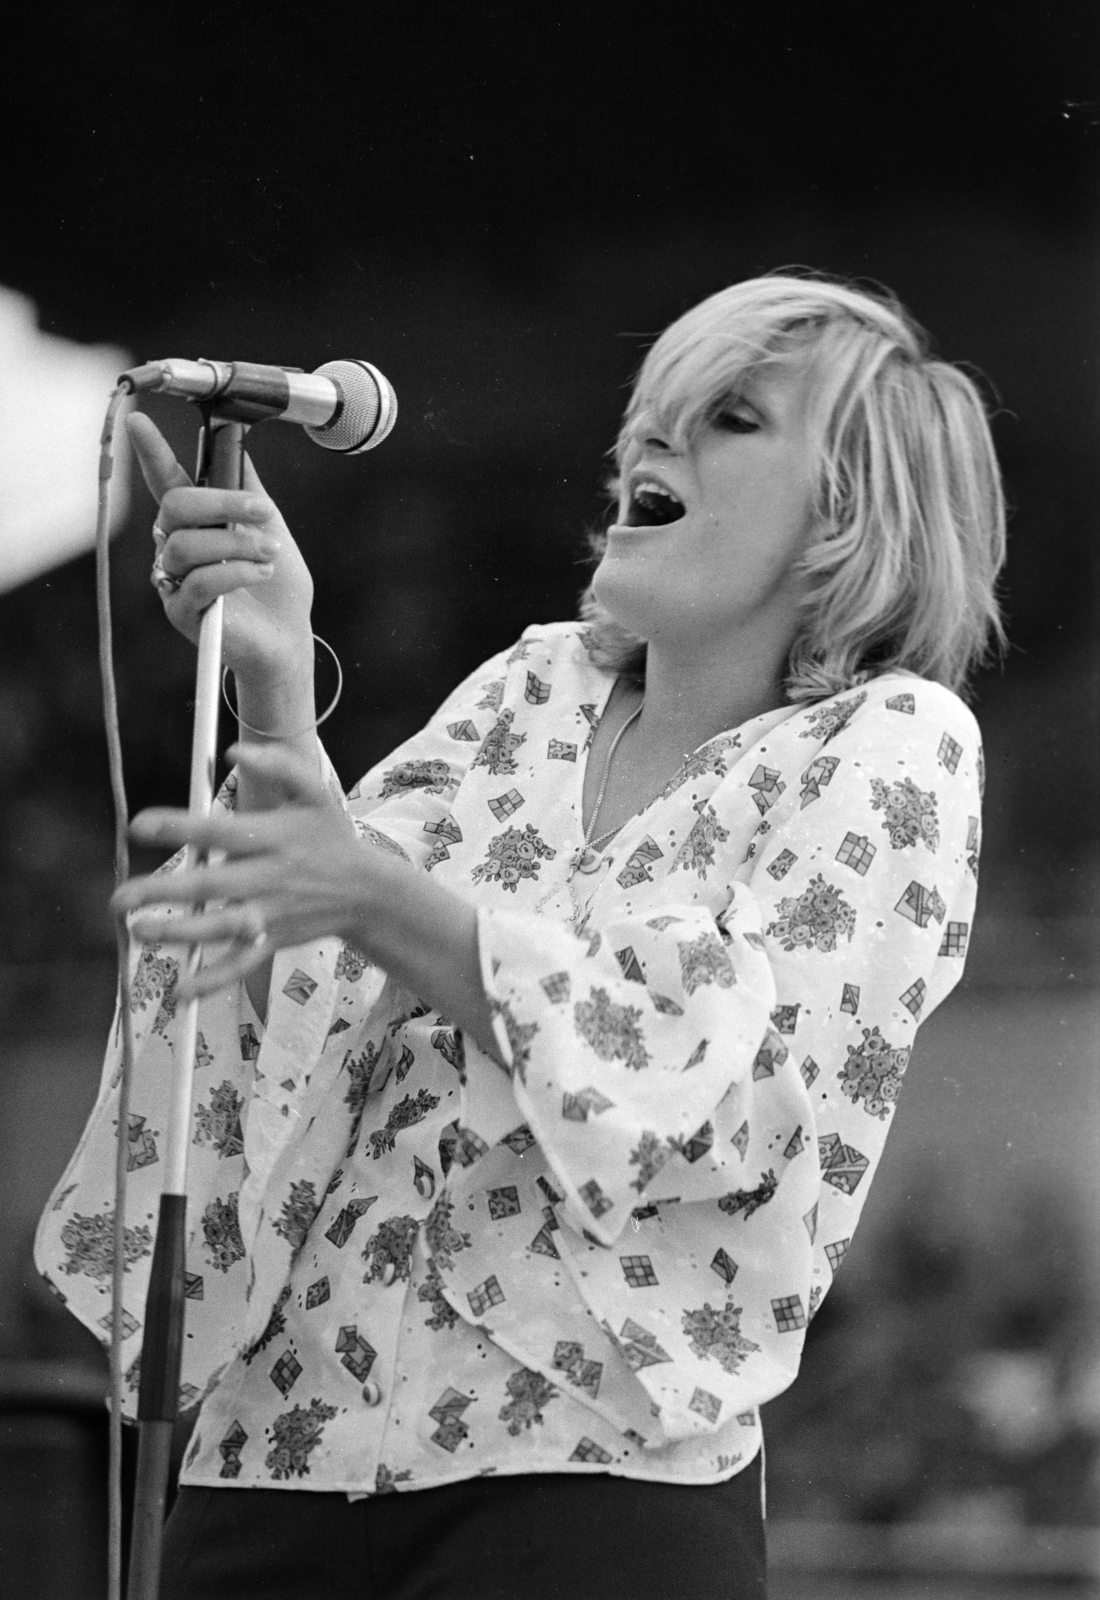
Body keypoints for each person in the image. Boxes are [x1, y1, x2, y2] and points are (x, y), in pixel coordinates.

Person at [36, 272, 1006, 1599]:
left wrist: (373, 900)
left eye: (728, 417)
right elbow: (319, 960)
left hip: (590, 1474)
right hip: (280, 1452)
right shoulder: (529, 689)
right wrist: (271, 679)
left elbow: (721, 1091)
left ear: (850, 509)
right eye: (651, 412)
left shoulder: (888, 743)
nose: (651, 441)